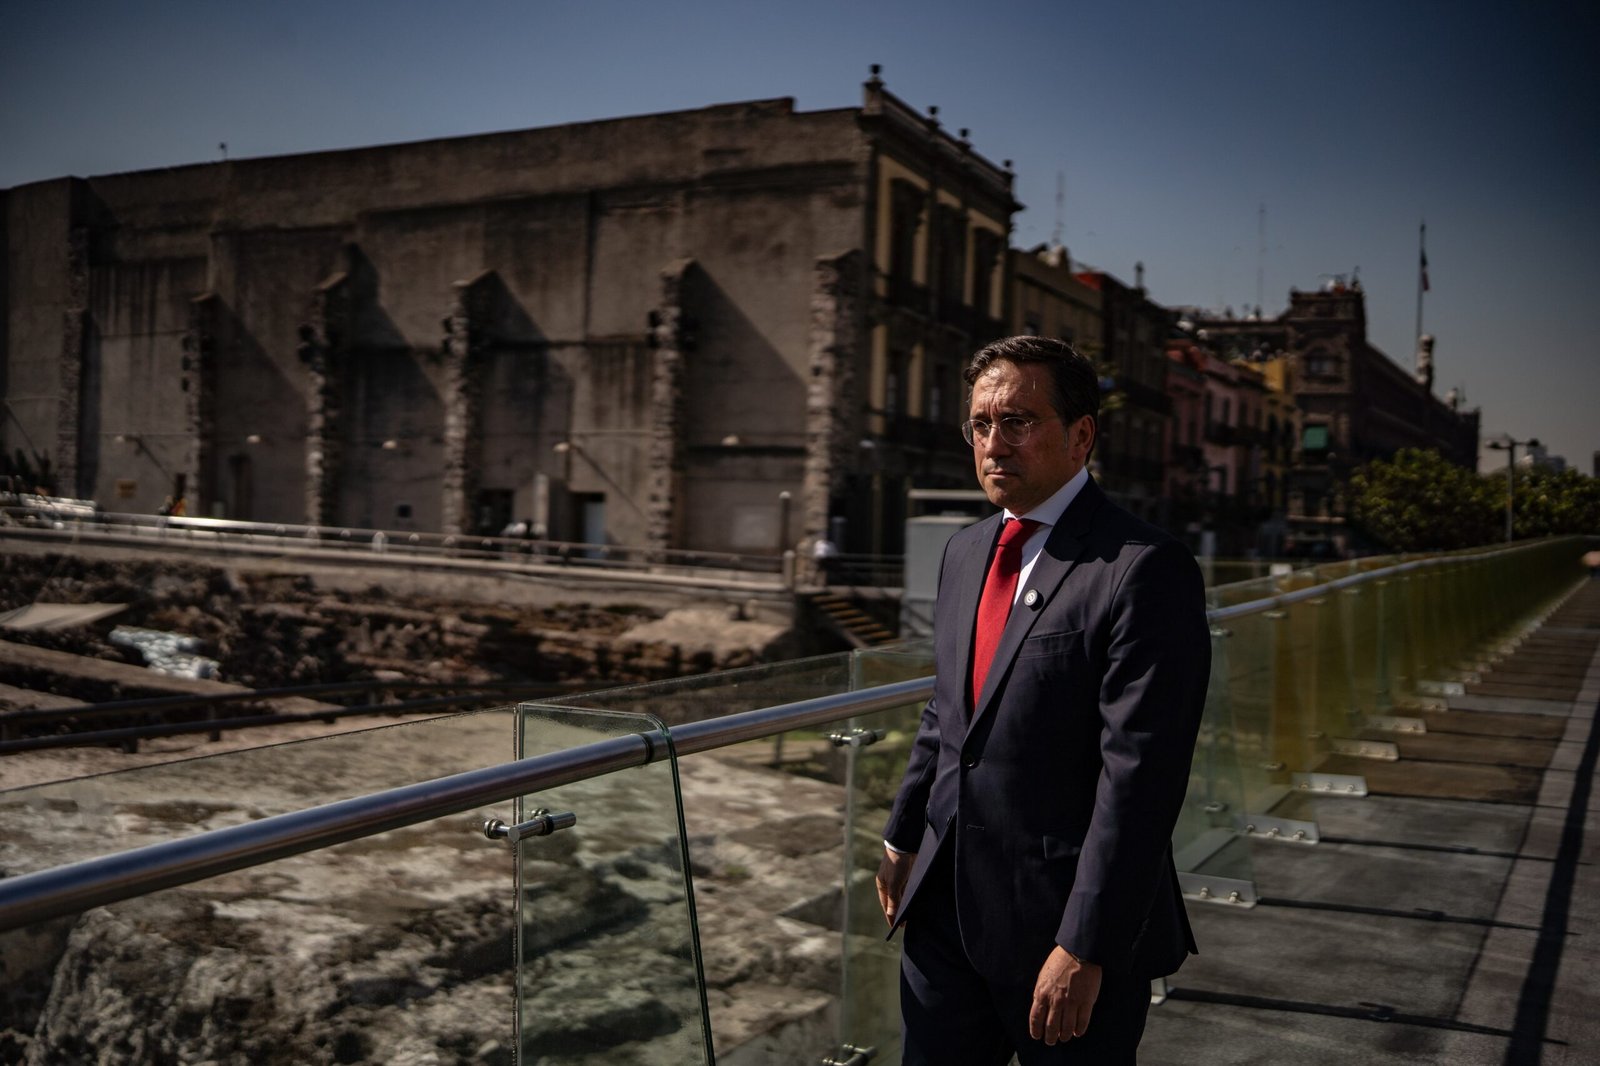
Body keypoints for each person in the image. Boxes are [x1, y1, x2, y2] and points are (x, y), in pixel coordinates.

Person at [876, 336, 1211, 1064]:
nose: (995, 443)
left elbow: (1141, 780)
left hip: (1062, 932)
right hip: (943, 916)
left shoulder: (1144, 570)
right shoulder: (965, 552)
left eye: (1019, 421)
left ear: (1081, 434)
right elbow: (947, 713)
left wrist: (1084, 944)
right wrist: (903, 836)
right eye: (981, 424)